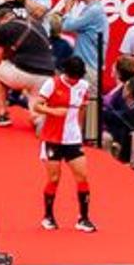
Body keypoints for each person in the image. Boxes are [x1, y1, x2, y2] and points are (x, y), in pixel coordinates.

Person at [34, 62, 96, 233]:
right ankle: (48, 216)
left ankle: (83, 218)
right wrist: (53, 112)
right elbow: (37, 105)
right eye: (71, 77)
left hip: (73, 139)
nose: (74, 80)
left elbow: (82, 109)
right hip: (52, 138)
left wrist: (79, 131)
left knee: (82, 176)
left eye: (77, 77)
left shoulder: (83, 86)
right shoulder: (52, 83)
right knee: (54, 178)